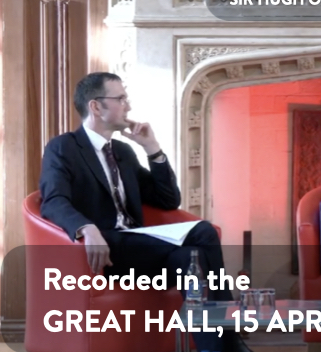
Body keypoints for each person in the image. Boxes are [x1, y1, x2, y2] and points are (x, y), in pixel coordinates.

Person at [39, 72, 251, 352]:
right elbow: (53, 200)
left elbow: (167, 200)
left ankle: (216, 348)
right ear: (96, 107)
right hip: (104, 250)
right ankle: (232, 343)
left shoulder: (123, 152)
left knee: (191, 260)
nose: (128, 106)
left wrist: (152, 149)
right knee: (203, 231)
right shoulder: (64, 147)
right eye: (121, 98)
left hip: (140, 248)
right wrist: (86, 228)